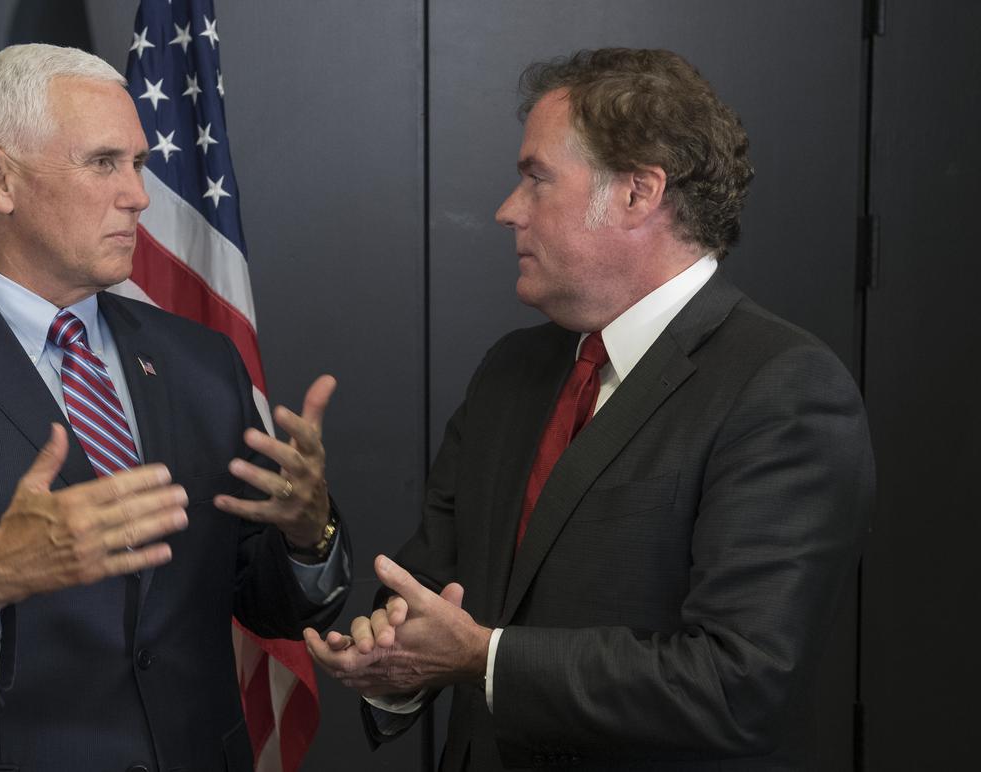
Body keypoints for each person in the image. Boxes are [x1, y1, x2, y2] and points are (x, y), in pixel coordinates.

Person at [0, 43, 349, 772]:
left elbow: (263, 603)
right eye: (104, 163)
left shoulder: (201, 363)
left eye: (138, 164)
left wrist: (307, 533)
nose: (138, 195)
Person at [305, 48, 874, 770]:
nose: (507, 211)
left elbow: (740, 684)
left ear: (638, 194)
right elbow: (430, 598)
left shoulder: (783, 389)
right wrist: (389, 662)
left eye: (536, 179)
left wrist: (484, 658)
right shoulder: (510, 372)